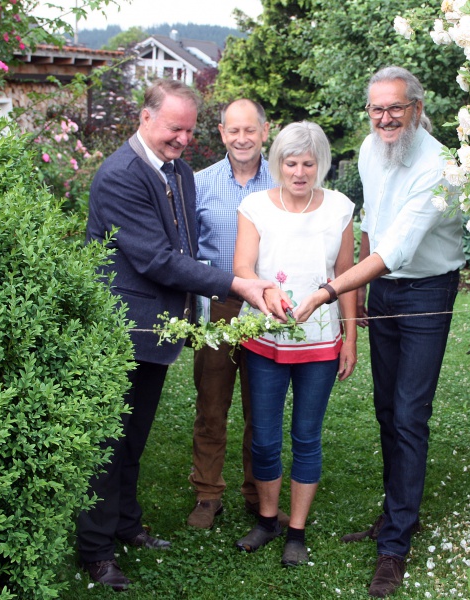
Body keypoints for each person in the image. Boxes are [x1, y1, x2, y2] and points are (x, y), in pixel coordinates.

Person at [79, 79, 281, 591]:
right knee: (108, 443)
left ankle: (126, 525)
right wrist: (233, 283)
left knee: (133, 439)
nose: (182, 139)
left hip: (157, 330)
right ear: (145, 118)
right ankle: (96, 549)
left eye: (189, 130)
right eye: (175, 128)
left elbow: (186, 245)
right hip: (122, 329)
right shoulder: (120, 175)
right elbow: (156, 259)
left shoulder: (179, 172)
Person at [293, 66, 465, 597]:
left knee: (411, 414)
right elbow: (372, 225)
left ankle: (394, 545)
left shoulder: (439, 167)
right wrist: (361, 295)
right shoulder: (372, 148)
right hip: (384, 288)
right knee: (387, 410)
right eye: (376, 109)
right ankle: (395, 515)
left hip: (427, 292)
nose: (385, 118)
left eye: (395, 108)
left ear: (416, 107)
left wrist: (329, 291)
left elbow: (398, 251)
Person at [232, 121, 358, 567]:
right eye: (291, 162)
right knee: (264, 439)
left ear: (320, 164)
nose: (300, 172)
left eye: (309, 163)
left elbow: (346, 277)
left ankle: (297, 531)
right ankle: (267, 520)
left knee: (307, 436)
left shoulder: (340, 208)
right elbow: (243, 268)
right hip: (263, 338)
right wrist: (267, 292)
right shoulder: (254, 207)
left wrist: (351, 338)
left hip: (320, 344)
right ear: (278, 163)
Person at [187, 99, 288, 529]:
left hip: (268, 305)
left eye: (251, 130)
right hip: (220, 306)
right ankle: (208, 493)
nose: (242, 139)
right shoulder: (200, 184)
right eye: (234, 131)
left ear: (266, 131)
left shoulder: (284, 183)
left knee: (260, 406)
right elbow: (187, 252)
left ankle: (255, 491)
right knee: (212, 405)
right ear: (222, 132)